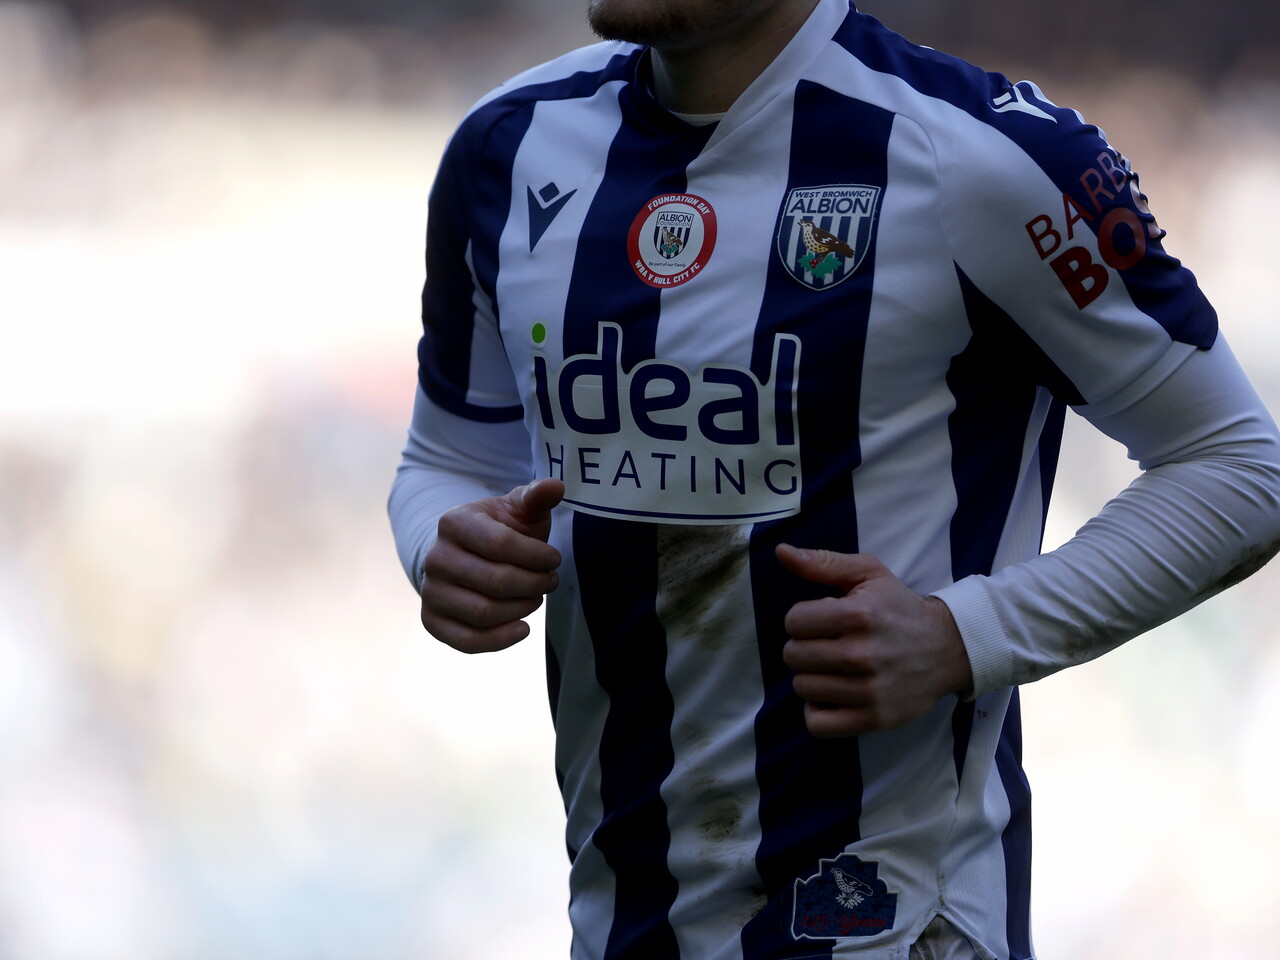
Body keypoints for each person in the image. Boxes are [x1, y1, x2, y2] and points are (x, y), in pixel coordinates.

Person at [388, 0, 1280, 956]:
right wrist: (442, 542)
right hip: (618, 919)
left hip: (898, 923)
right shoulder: (504, 146)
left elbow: (1238, 466)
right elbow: (449, 457)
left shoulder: (983, 155)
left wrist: (961, 635)